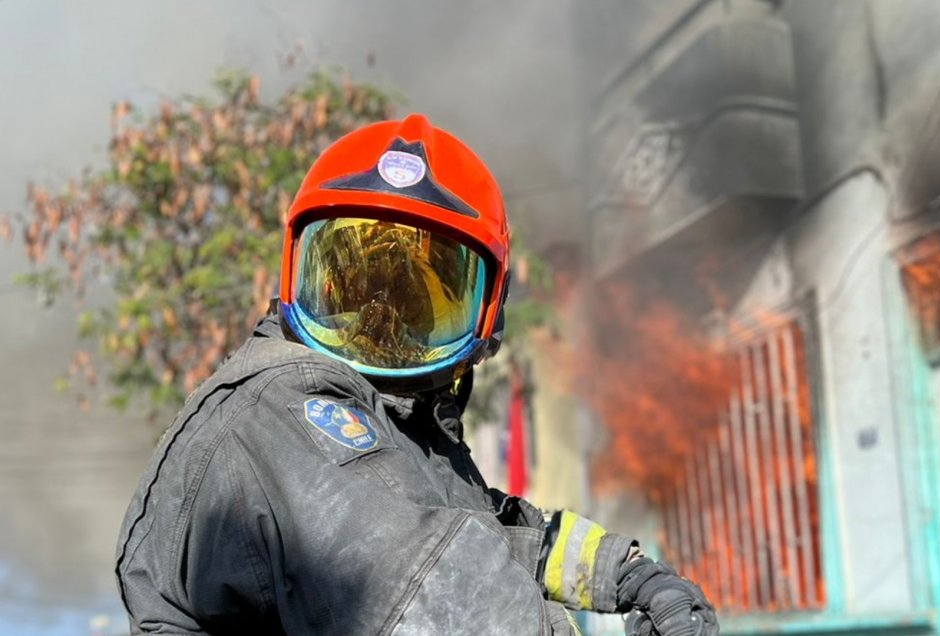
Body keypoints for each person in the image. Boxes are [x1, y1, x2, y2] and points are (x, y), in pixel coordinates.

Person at [115, 114, 718, 636]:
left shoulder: (395, 427)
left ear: (487, 313)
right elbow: (442, 601)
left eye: (418, 303)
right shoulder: (282, 413)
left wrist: (628, 573)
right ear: (298, 272)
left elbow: (484, 531)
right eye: (352, 291)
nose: (377, 323)